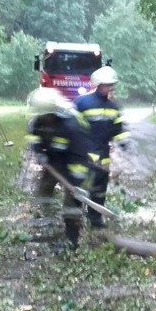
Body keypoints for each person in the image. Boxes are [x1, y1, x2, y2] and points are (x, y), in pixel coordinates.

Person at [26, 87, 93, 250]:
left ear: (53, 111)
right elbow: (34, 138)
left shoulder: (71, 124)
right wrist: (39, 153)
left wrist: (76, 183)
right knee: (44, 190)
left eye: (46, 115)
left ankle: (72, 241)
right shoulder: (37, 121)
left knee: (72, 204)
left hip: (75, 160)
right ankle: (47, 223)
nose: (43, 118)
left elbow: (80, 155)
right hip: (53, 160)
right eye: (41, 115)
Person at [75, 65, 129, 227]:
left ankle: (95, 218)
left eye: (112, 85)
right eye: (107, 85)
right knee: (78, 186)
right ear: (98, 84)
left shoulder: (113, 107)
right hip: (83, 154)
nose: (110, 88)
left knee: (99, 189)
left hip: (103, 155)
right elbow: (72, 127)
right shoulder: (82, 102)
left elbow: (118, 129)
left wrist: (123, 142)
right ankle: (74, 217)